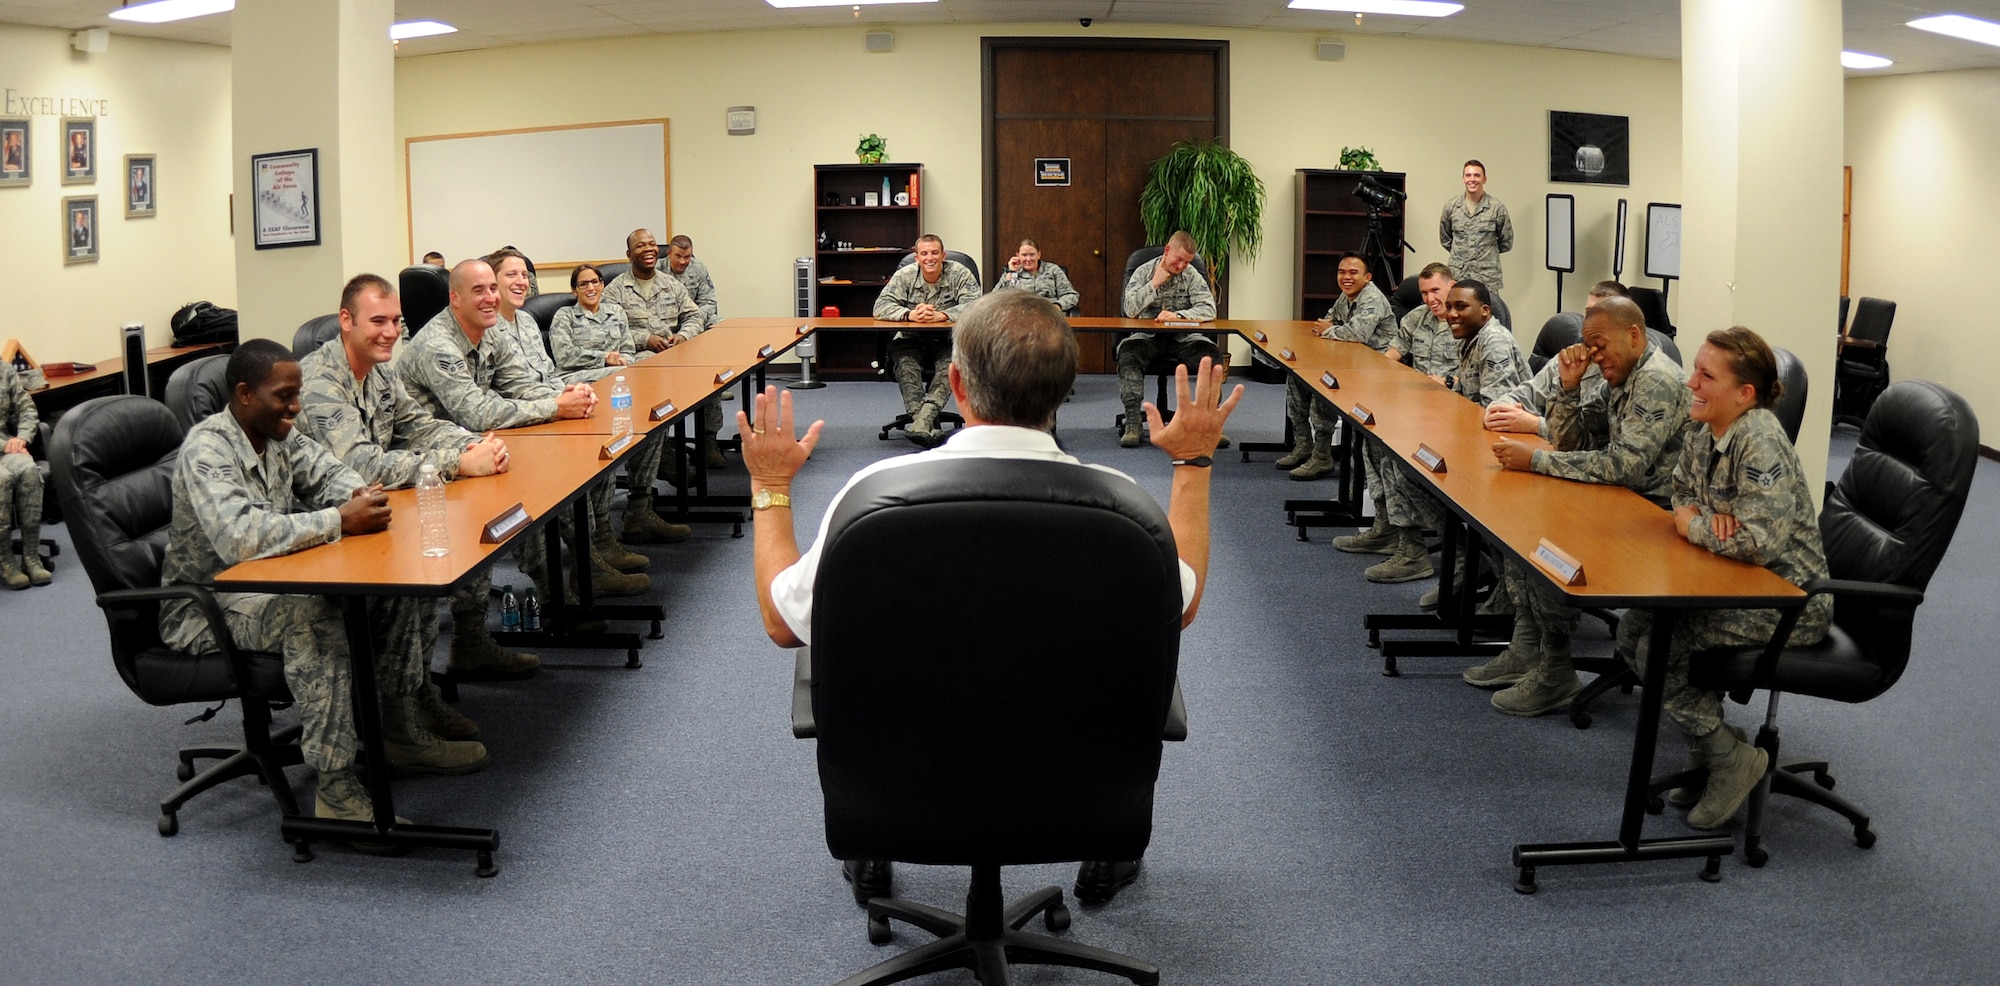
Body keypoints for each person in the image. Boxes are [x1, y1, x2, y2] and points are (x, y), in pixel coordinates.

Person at [745, 288, 1240, 908]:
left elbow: (781, 623)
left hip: (900, 785)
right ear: (1065, 392)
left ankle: (875, 845)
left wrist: (769, 484)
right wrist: (1193, 465)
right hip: (1073, 789)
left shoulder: (873, 497)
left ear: (954, 382)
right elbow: (1182, 605)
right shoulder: (1124, 509)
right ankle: (1104, 851)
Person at [162, 340, 487, 845]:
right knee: (313, 616)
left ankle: (398, 728)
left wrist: (355, 495)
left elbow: (331, 471)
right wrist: (338, 520)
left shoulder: (277, 433)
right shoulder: (208, 448)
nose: (296, 407)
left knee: (400, 584)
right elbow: (239, 537)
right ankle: (335, 791)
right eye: (284, 396)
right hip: (206, 607)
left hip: (274, 580)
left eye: (297, 394)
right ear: (245, 395)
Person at [1629, 326, 1832, 829]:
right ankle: (1710, 749)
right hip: (1731, 580)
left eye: (1705, 375)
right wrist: (1700, 517)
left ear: (1745, 394)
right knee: (1632, 627)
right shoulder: (1707, 428)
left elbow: (1760, 544)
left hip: (1788, 603)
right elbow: (1680, 490)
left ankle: (1728, 757)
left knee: (1656, 646)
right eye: (1695, 369)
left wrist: (1695, 525)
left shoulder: (1759, 440)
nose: (1690, 382)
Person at [296, 273, 535, 691]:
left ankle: (467, 645)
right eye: (378, 322)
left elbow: (418, 426)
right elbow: (359, 464)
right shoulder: (319, 381)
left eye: (396, 321)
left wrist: (475, 445)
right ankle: (406, 704)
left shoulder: (378, 370)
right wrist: (458, 463)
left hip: (381, 505)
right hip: (329, 525)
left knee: (472, 511)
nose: (391, 333)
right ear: (346, 320)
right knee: (422, 559)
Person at [1476, 296, 1689, 717]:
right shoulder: (1619, 373)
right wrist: (1570, 389)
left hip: (1656, 513)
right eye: (1587, 346)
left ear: (1634, 335)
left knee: (1550, 537)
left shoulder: (1656, 379)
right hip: (1623, 500)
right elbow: (1576, 444)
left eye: (1599, 345)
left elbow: (1624, 466)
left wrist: (1535, 459)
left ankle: (1555, 669)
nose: (1593, 355)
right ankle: (1527, 646)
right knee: (1522, 517)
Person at [399, 259, 615, 621]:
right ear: (455, 299)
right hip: (430, 456)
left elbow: (521, 384)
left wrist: (567, 395)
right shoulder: (438, 344)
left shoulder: (490, 330)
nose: (488, 299)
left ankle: (582, 571)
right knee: (525, 481)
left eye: (491, 290)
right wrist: (555, 407)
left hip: (477, 441)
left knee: (553, 465)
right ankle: (548, 594)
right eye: (478, 291)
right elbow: (475, 413)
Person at [1365, 279, 1528, 585]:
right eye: (1450, 307)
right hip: (1474, 435)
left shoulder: (1494, 343)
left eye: (1461, 307)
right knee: (1397, 456)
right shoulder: (1472, 338)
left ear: (1485, 311)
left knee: (1410, 467)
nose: (1451, 313)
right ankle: (1449, 556)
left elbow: (1495, 414)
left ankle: (1466, 560)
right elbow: (1469, 396)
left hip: (1503, 450)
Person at [548, 261, 689, 553]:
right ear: (574, 290)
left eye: (595, 282)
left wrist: (621, 360)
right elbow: (564, 356)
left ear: (602, 285)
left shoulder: (615, 312)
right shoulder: (565, 316)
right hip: (581, 381)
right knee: (625, 377)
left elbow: (627, 349)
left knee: (651, 410)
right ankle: (603, 532)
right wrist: (604, 358)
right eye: (584, 284)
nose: (591, 288)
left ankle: (640, 504)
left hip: (619, 377)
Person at [1338, 262, 1457, 556]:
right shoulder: (1416, 318)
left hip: (1454, 412)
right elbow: (1390, 357)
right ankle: (1386, 527)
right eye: (1424, 292)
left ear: (1452, 287)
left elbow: (1475, 376)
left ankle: (1411, 546)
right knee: (1373, 440)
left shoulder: (1464, 320)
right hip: (1418, 406)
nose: (1430, 299)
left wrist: (1448, 381)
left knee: (1395, 455)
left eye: (1436, 291)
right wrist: (1375, 381)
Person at [605, 228, 726, 468]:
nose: (648, 249)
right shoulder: (615, 291)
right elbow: (610, 332)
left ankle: (708, 441)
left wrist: (683, 335)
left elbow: (694, 316)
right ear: (629, 254)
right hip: (642, 356)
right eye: (641, 246)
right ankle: (663, 450)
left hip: (676, 351)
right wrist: (644, 338)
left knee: (711, 374)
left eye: (651, 244)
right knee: (650, 378)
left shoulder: (670, 284)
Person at [1279, 252, 1394, 481]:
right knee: (1297, 379)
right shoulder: (1346, 296)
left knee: (1325, 385)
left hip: (1375, 366)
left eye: (1353, 272)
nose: (1346, 277)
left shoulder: (1372, 298)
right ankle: (1304, 444)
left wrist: (1332, 330)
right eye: (1342, 272)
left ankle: (1322, 456)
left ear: (1367, 277)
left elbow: (1356, 333)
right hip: (1349, 359)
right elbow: (1327, 322)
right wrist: (1333, 330)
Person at [873, 233, 983, 446]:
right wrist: (910, 314)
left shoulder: (959, 273)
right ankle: (923, 421)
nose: (929, 258)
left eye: (934, 253)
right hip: (910, 340)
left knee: (949, 366)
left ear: (943, 255)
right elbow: (880, 306)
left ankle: (923, 420)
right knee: (906, 364)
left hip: (948, 341)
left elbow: (976, 305)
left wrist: (943, 315)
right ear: (916, 258)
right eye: (924, 253)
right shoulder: (905, 275)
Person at [1118, 230, 1218, 448]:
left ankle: (1208, 424)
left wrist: (1180, 316)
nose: (1182, 266)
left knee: (1210, 358)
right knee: (1129, 354)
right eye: (1179, 260)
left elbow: (1209, 308)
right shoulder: (1143, 272)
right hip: (1147, 336)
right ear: (1167, 251)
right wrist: (1154, 284)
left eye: (1187, 262)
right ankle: (1133, 422)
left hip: (1184, 336)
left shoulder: (1191, 274)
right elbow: (1129, 310)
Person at [0, 359, 49, 589]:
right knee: (2, 479)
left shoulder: (3, 369)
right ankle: (6, 562)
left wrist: (22, 438)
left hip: (9, 446)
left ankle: (31, 557)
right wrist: (5, 445)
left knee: (29, 471)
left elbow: (27, 408)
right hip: (3, 446)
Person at [1439, 160, 1513, 291]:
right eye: (1468, 175)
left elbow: (1506, 242)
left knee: (1488, 310)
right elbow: (1445, 238)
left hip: (1486, 277)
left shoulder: (1496, 208)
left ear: (1484, 179)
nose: (1472, 179)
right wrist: (1462, 253)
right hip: (1459, 274)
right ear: (1463, 179)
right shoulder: (1451, 207)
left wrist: (1487, 255)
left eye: (1477, 175)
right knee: (1457, 309)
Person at [994, 238, 1079, 313]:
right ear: (1017, 255)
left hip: (1049, 315)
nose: (1028, 259)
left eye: (1032, 255)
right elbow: (995, 297)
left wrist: (1058, 306)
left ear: (1039, 254)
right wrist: (1010, 272)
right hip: (1019, 316)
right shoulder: (1012, 272)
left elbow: (1071, 295)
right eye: (1024, 255)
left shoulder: (1053, 270)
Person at [665, 235, 720, 330]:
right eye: (678, 256)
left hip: (694, 317)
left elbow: (709, 302)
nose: (682, 261)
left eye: (687, 257)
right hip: (667, 320)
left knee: (719, 324)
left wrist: (696, 318)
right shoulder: (657, 270)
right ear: (669, 253)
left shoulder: (698, 268)